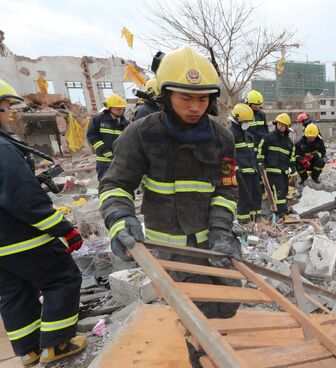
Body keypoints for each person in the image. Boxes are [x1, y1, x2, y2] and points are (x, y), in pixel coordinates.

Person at [97, 46, 241, 367]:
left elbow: (226, 189)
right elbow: (115, 185)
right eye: (185, 97)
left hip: (214, 242)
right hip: (172, 247)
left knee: (228, 303)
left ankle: (209, 346)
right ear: (165, 95)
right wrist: (121, 221)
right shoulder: (141, 134)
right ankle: (201, 357)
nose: (194, 107)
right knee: (193, 313)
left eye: (202, 98)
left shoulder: (222, 137)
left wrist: (221, 232)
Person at [0, 80, 86, 367]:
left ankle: (27, 351)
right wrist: (65, 229)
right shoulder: (2, 149)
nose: (10, 113)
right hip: (22, 239)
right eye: (7, 107)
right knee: (62, 279)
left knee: (14, 293)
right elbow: (23, 199)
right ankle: (56, 344)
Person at [229, 103, 262, 223]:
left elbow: (252, 153)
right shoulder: (230, 134)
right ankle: (244, 223)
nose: (248, 123)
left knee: (256, 196)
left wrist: (256, 167)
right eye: (246, 121)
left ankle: (256, 221)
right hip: (241, 172)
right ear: (238, 120)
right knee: (244, 199)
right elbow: (228, 155)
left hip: (252, 171)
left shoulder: (247, 134)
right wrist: (236, 170)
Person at [258, 113, 295, 217]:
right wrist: (260, 162)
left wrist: (292, 166)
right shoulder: (269, 137)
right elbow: (261, 150)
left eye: (283, 125)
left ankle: (281, 211)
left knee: (283, 190)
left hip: (283, 171)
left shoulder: (288, 143)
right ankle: (280, 212)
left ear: (287, 127)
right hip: (271, 170)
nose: (280, 126)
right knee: (278, 191)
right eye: (279, 124)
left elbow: (292, 155)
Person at [86, 93, 130, 180]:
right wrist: (105, 152)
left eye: (122, 109)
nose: (121, 111)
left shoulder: (125, 124)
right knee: (105, 185)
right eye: (118, 109)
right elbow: (92, 137)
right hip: (104, 162)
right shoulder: (98, 120)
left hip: (119, 162)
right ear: (109, 108)